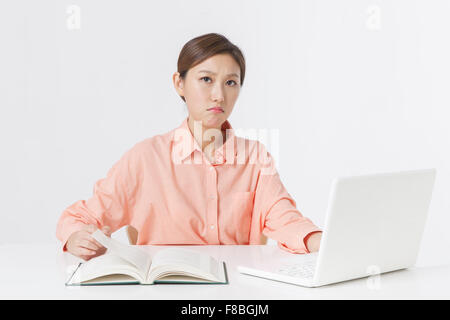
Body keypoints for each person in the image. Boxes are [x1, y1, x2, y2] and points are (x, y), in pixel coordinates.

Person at [56, 33, 323, 261]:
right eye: (206, 79)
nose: (219, 94)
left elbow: (286, 219)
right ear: (179, 83)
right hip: (165, 289)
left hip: (237, 292)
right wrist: (76, 235)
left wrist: (320, 242)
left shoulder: (255, 158)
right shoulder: (146, 158)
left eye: (231, 82)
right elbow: (81, 216)